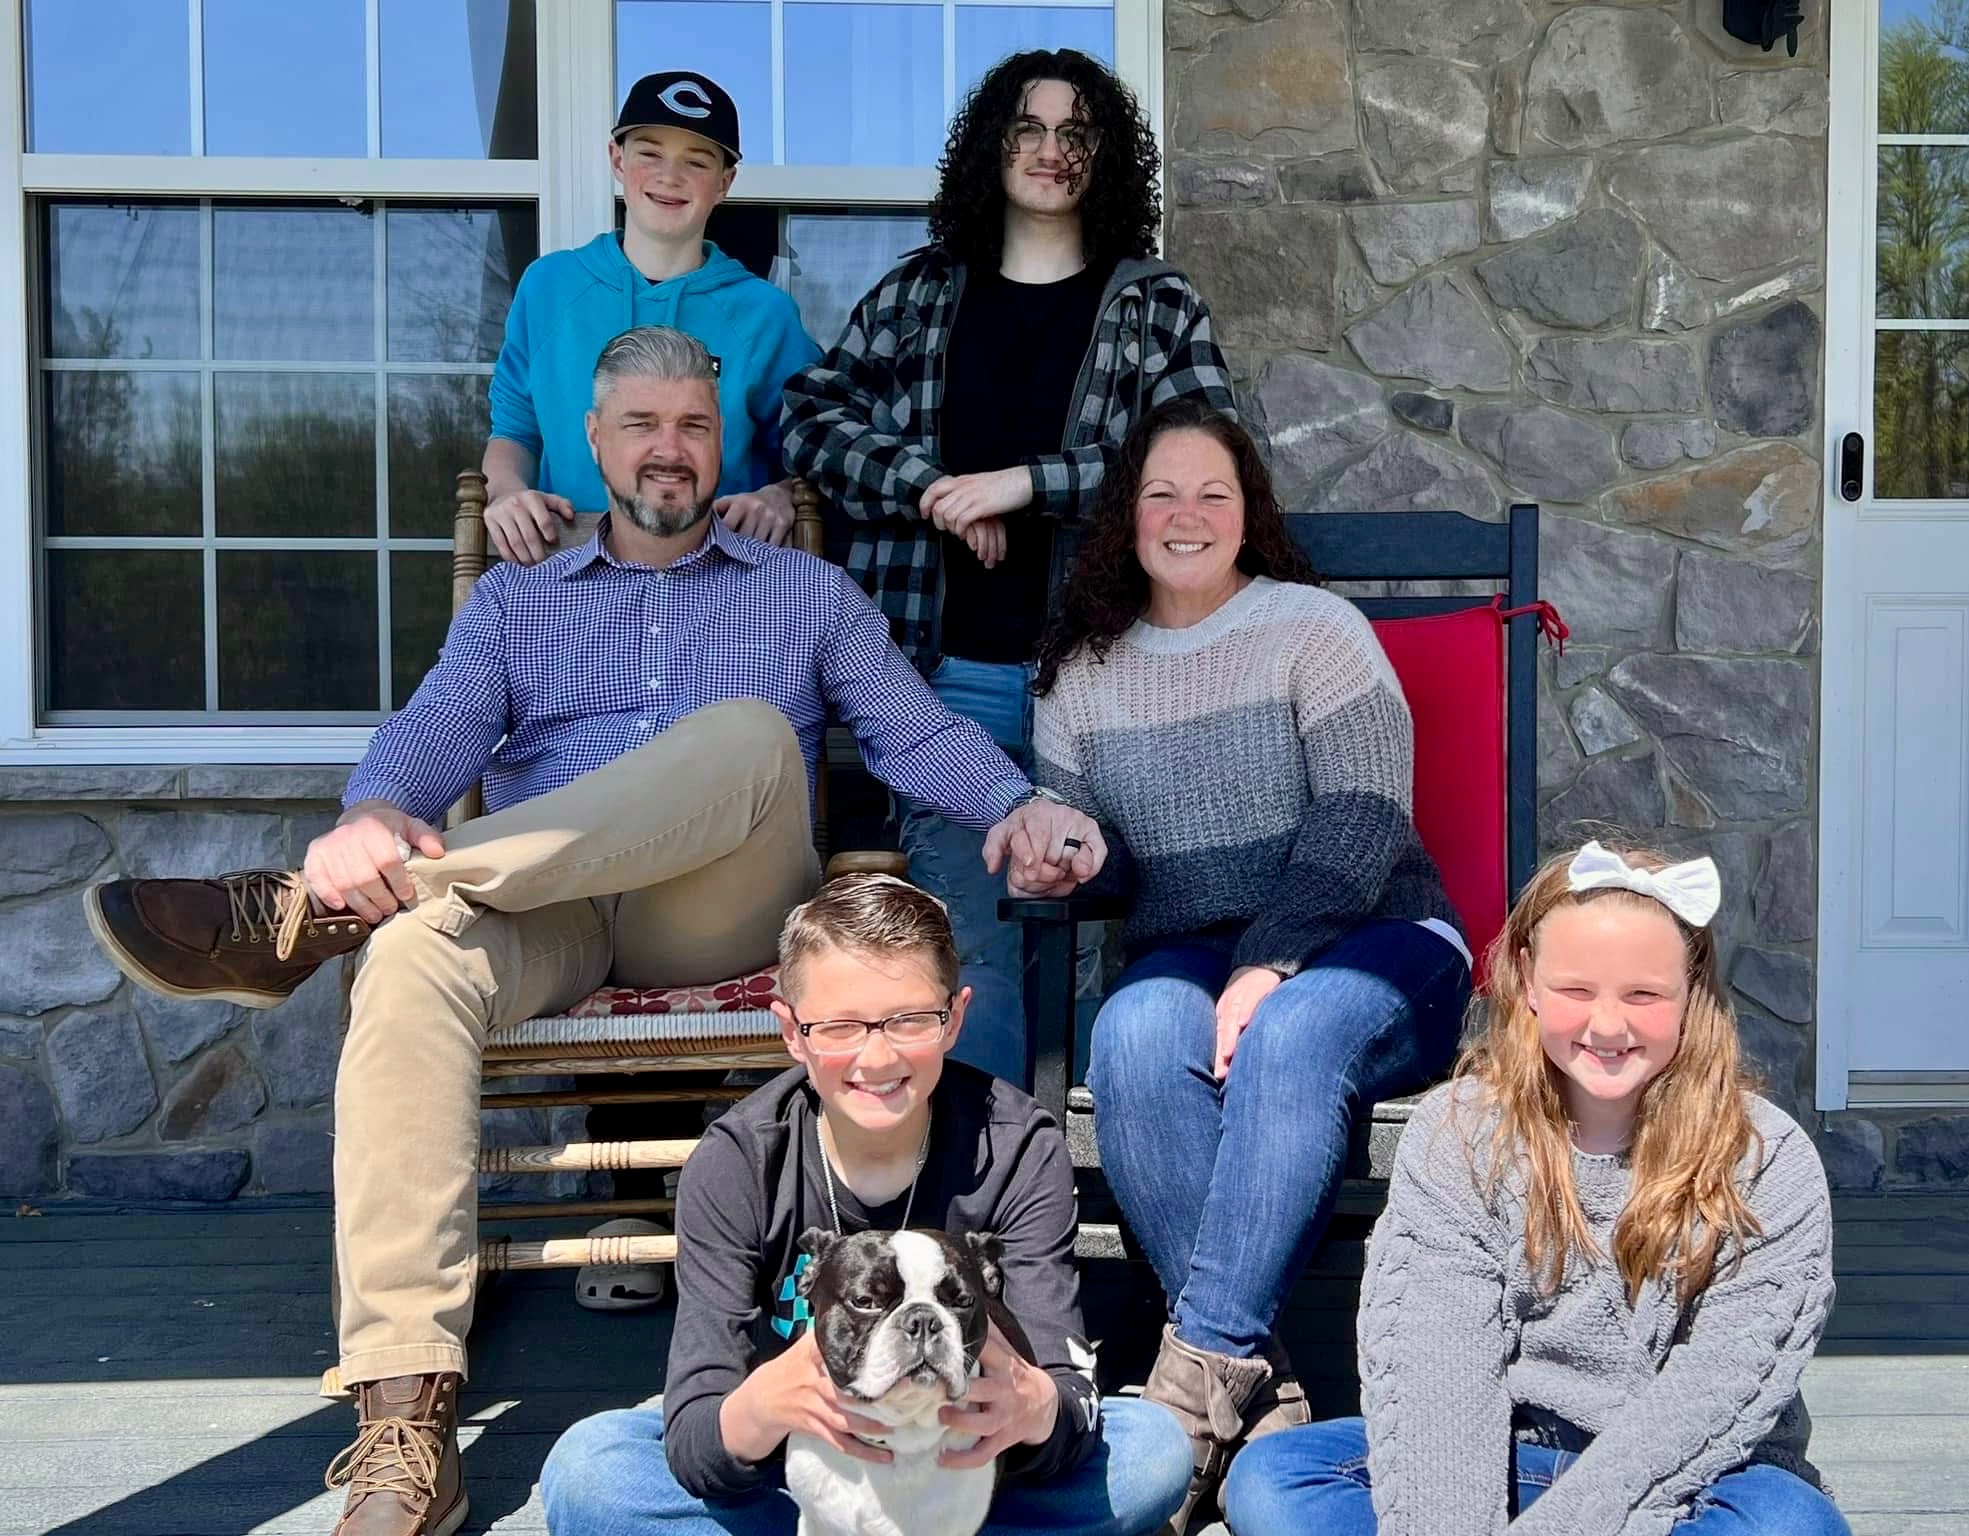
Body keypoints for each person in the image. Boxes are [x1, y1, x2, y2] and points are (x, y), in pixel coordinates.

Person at [79, 327, 1105, 1536]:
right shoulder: (518, 601)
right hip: (548, 912)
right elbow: (430, 735)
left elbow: (911, 730)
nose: (669, 449)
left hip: (717, 911)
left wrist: (1013, 801)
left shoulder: (802, 592)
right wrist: (367, 815)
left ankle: (311, 920)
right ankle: (405, 1421)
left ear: (723, 444)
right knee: (408, 958)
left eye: (693, 426)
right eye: (641, 425)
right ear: (593, 440)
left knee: (747, 737)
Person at [1025, 398, 1473, 1529]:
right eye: (1161, 493)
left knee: (1292, 1031)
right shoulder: (1078, 674)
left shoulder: (1313, 630)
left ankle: (1187, 1389)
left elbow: (1364, 818)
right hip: (1191, 951)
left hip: (1378, 937)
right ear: (1126, 515)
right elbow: (1100, 849)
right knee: (1129, 1036)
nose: (1186, 515)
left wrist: (1268, 962)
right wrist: (1065, 850)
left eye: (1212, 493)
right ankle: (1257, 1393)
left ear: (1247, 513)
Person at [781, 49, 1236, 1077]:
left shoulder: (1154, 304)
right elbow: (809, 416)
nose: (1049, 150)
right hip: (952, 686)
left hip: (1120, 676)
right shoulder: (917, 296)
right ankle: (991, 1166)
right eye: (1027, 128)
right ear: (992, 147)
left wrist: (1025, 484)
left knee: (1120, 942)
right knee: (974, 944)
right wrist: (931, 489)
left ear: (1106, 157)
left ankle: (1106, 1152)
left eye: (1076, 133)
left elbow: (1205, 462)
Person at [537, 872, 1194, 1535]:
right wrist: (762, 1405)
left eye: (910, 1020)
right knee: (590, 1469)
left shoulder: (1016, 1146)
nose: (877, 1057)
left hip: (965, 1471)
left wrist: (1037, 1406)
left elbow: (1070, 1385)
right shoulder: (738, 1161)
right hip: (798, 1473)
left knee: (1150, 1451)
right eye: (841, 1026)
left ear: (954, 1018)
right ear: (792, 1032)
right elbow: (697, 1430)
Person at [1225, 842, 1849, 1536]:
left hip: (1698, 1479)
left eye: (1643, 995)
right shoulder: (1460, 1134)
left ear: (1691, 989)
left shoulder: (1764, 1157)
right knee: (1274, 1477)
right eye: (1576, 991)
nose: (1607, 1025)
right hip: (1509, 1451)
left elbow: (1715, 1392)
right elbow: (1440, 1364)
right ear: (1527, 978)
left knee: (1791, 1524)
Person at [485, 70, 817, 562]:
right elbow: (514, 430)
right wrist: (506, 490)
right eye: (649, 153)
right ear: (617, 159)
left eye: (697, 161)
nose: (670, 176)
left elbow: (811, 447)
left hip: (719, 577)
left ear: (725, 182)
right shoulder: (549, 287)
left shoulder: (766, 315)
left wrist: (781, 495)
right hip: (566, 566)